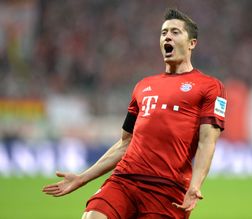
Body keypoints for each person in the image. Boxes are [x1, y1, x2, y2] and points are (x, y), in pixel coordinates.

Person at [42, 8, 227, 219]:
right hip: (125, 179)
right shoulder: (143, 86)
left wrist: (195, 185)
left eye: (175, 32)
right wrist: (82, 178)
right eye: (164, 32)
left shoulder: (210, 87)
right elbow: (125, 142)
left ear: (192, 43)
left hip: (167, 188)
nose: (167, 36)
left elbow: (207, 142)